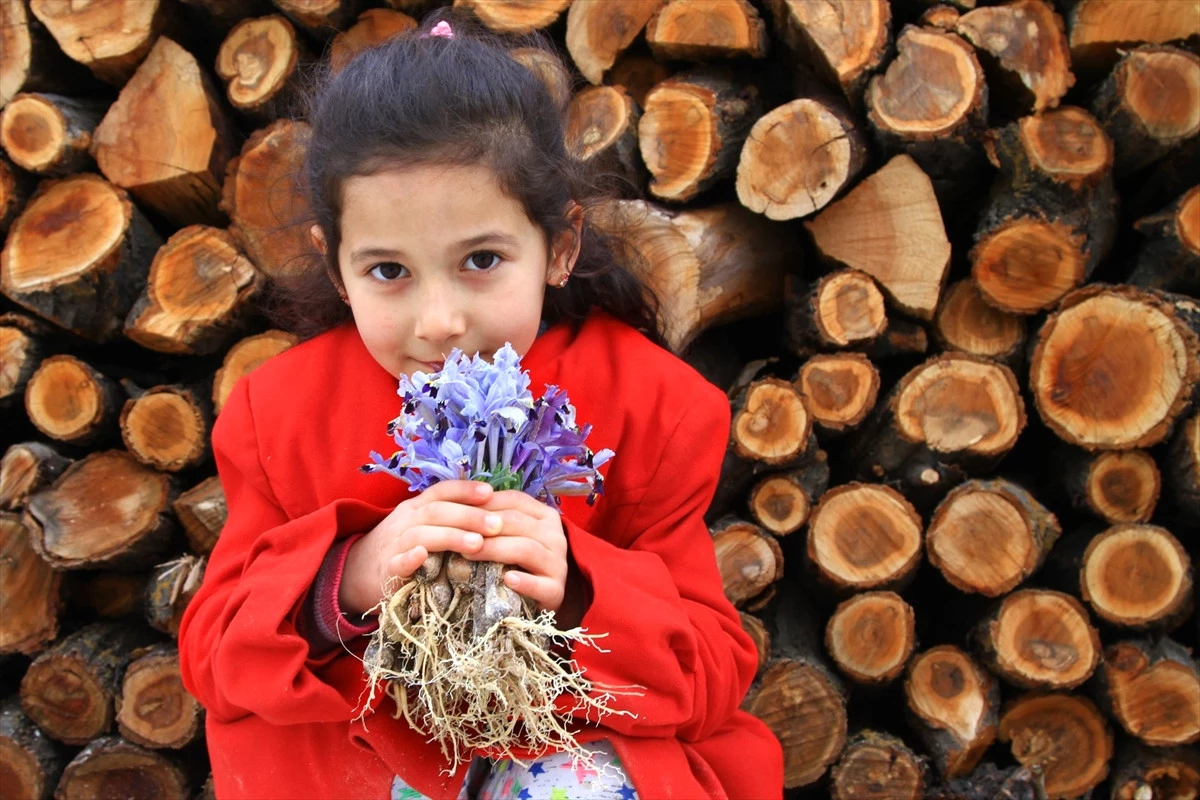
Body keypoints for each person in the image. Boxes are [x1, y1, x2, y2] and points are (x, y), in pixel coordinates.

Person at [178, 13, 783, 800]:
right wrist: (349, 578)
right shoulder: (280, 414)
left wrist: (577, 583)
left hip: (561, 746)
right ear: (336, 267)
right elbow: (215, 657)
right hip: (360, 759)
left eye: (482, 261)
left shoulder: (653, 407)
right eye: (389, 270)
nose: (439, 321)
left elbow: (709, 673)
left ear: (559, 246)